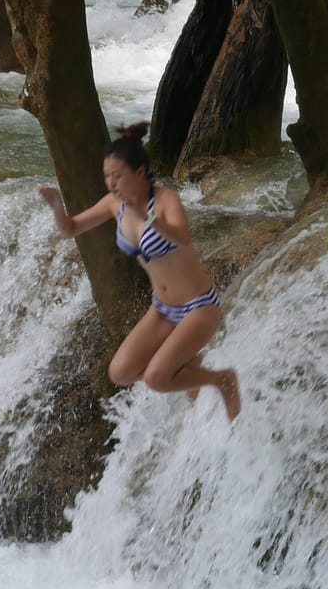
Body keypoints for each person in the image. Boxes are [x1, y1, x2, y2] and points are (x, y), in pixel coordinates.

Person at [38, 124, 242, 418]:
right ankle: (186, 366)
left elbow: (182, 237)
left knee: (156, 378)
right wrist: (57, 205)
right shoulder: (113, 204)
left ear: (139, 173)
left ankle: (221, 379)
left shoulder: (165, 199)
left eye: (117, 175)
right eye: (107, 175)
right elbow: (71, 229)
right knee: (120, 373)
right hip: (162, 309)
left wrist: (146, 219)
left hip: (198, 306)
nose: (111, 183)